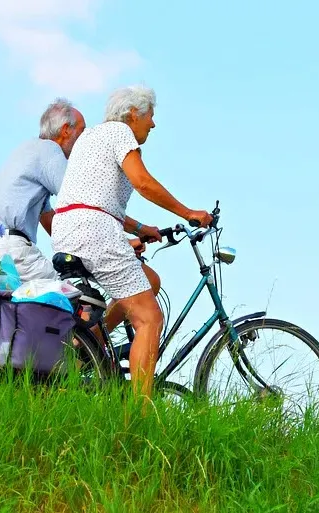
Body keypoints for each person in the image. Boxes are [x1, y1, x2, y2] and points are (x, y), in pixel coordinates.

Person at [50, 85, 213, 400]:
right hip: (94, 230)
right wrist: (189, 212)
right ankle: (139, 415)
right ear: (134, 114)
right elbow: (143, 182)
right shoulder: (120, 132)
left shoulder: (91, 138)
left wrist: (141, 228)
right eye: (150, 116)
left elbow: (95, 198)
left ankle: (90, 344)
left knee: (149, 281)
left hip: (70, 228)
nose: (152, 124)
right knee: (149, 318)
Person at [0, 98, 86, 282]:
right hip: (12, 249)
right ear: (66, 129)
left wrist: (83, 249)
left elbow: (48, 219)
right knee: (69, 299)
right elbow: (82, 200)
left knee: (16, 308)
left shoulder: (28, 150)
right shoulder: (50, 150)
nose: (84, 140)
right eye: (82, 131)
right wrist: (119, 241)